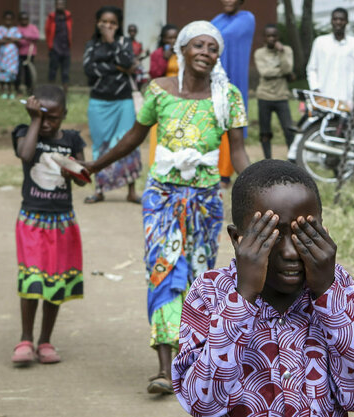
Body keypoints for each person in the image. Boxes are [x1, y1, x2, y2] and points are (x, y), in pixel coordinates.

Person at [80, 21, 250, 394]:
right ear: (183, 51)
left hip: (205, 200)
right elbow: (133, 139)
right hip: (162, 197)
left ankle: (193, 361)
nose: (206, 52)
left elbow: (237, 151)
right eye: (198, 46)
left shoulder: (228, 97)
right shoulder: (159, 91)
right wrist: (94, 166)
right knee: (162, 270)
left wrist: (261, 188)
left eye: (212, 48)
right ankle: (164, 367)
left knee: (198, 276)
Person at [172, 159, 354, 415]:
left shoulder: (339, 286)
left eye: (304, 233)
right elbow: (201, 403)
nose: (290, 252)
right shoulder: (209, 292)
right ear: (237, 239)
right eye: (271, 234)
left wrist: (326, 295)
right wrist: (243, 297)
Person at [10, 85, 88, 366]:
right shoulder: (24, 132)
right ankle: (25, 339)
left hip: (63, 223)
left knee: (54, 283)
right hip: (32, 221)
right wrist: (32, 120)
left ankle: (45, 340)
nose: (45, 124)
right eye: (39, 117)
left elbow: (81, 179)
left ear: (64, 115)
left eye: (51, 118)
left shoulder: (72, 140)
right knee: (32, 280)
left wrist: (75, 167)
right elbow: (25, 154)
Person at [82, 6, 141, 204]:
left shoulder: (124, 42)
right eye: (104, 22)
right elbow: (89, 70)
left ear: (118, 25)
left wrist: (110, 44)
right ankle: (100, 190)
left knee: (128, 143)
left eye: (112, 23)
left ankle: (131, 191)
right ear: (97, 23)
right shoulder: (91, 44)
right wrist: (118, 67)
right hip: (99, 102)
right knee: (101, 145)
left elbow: (128, 63)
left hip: (123, 101)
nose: (108, 26)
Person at [212, 0, 254, 188]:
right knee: (212, 124)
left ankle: (225, 175)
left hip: (234, 80)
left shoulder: (247, 18)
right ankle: (213, 170)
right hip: (213, 80)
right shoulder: (217, 18)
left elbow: (221, 36)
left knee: (231, 126)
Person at [306, 7, 354, 103]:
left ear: (346, 21)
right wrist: (315, 88)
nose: (338, 22)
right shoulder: (320, 42)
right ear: (331, 21)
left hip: (347, 98)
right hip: (324, 96)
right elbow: (311, 68)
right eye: (335, 19)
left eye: (341, 19)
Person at [254, 23, 294, 159]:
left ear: (278, 36)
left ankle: (293, 159)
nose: (271, 38)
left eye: (274, 35)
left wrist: (281, 53)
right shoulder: (259, 53)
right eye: (268, 36)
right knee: (265, 132)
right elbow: (264, 72)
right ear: (264, 38)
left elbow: (288, 69)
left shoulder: (286, 50)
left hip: (282, 96)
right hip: (264, 96)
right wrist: (282, 71)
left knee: (289, 130)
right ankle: (267, 160)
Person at [145, 23, 179, 166]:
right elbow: (155, 74)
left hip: (180, 95)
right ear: (163, 39)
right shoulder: (157, 54)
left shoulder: (184, 54)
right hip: (164, 95)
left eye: (175, 38)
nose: (172, 41)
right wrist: (165, 59)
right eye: (169, 38)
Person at [44, 0, 71, 94]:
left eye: (62, 4)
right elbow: (47, 32)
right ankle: (50, 92)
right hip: (55, 48)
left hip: (66, 49)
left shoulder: (68, 16)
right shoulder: (51, 17)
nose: (60, 6)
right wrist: (50, 46)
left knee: (65, 72)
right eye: (58, 4)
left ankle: (65, 92)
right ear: (55, 5)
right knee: (52, 71)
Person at [0, 11, 21, 100]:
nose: (8, 21)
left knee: (11, 73)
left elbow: (18, 40)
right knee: (2, 72)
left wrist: (6, 38)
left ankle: (10, 91)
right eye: (6, 19)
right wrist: (11, 39)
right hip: (3, 55)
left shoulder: (15, 29)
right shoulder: (0, 28)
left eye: (10, 19)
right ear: (3, 19)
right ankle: (2, 91)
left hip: (12, 56)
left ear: (13, 20)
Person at [15, 12, 39, 96]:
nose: (24, 21)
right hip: (19, 53)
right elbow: (18, 40)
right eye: (22, 19)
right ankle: (18, 89)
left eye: (26, 19)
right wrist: (27, 39)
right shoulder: (17, 28)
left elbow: (36, 37)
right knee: (18, 72)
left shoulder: (33, 27)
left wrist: (25, 36)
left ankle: (29, 89)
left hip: (30, 53)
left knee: (29, 72)